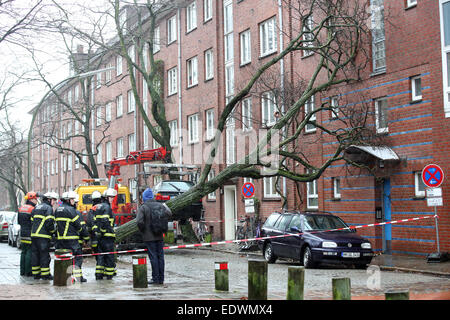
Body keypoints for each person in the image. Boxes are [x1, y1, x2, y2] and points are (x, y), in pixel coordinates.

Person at [136, 187, 172, 285]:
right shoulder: (160, 205)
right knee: (161, 257)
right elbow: (169, 213)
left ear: (144, 198)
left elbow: (139, 221)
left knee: (153, 257)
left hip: (149, 237)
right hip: (159, 235)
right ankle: (161, 278)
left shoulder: (143, 207)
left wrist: (143, 230)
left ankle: (155, 278)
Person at [55, 191, 86, 283]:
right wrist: (84, 235)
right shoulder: (71, 210)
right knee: (77, 258)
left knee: (64, 259)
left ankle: (65, 277)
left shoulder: (57, 210)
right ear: (68, 200)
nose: (73, 201)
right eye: (72, 199)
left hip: (60, 240)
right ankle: (77, 278)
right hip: (71, 239)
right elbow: (78, 226)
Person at [30, 192, 57, 280]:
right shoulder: (48, 208)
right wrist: (53, 231)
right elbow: (49, 222)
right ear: (49, 199)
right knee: (44, 255)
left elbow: (31, 220)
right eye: (54, 200)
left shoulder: (36, 207)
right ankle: (45, 275)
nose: (54, 203)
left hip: (34, 235)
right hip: (43, 236)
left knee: (35, 255)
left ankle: (36, 274)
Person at [92, 188, 117, 280]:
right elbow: (105, 221)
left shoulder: (98, 207)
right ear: (106, 197)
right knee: (110, 256)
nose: (112, 199)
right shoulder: (107, 207)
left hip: (100, 238)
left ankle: (99, 275)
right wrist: (108, 230)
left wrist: (99, 232)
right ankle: (109, 276)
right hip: (107, 237)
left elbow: (95, 221)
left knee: (101, 256)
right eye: (111, 197)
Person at [18, 192, 38, 277]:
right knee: (30, 251)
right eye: (36, 199)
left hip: (22, 232)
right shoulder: (32, 209)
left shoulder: (21, 208)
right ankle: (28, 271)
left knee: (23, 251)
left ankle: (22, 271)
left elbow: (18, 221)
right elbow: (34, 222)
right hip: (30, 233)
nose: (37, 200)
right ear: (32, 199)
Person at [87, 190, 104, 279]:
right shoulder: (104, 208)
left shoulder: (92, 211)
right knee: (105, 254)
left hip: (94, 238)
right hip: (104, 237)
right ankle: (105, 272)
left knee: (98, 256)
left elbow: (89, 223)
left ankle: (99, 273)